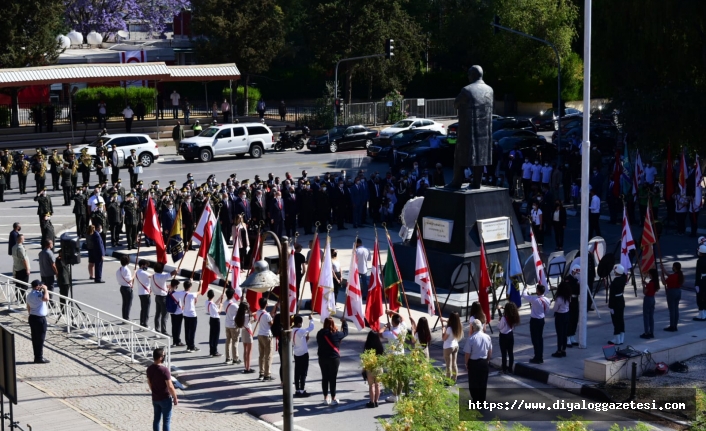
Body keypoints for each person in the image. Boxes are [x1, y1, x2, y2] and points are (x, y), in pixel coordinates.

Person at [317, 316, 348, 405]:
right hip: (334, 359)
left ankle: (325, 398)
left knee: (325, 378)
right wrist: (344, 323)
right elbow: (345, 332)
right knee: (332, 378)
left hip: (322, 358)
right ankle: (333, 398)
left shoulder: (320, 333)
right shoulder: (336, 334)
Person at [147, 348, 178, 431]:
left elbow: (149, 383)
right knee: (166, 421)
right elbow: (170, 386)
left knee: (156, 419)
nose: (164, 357)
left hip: (155, 398)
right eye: (164, 355)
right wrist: (175, 396)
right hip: (165, 398)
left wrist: (154, 391)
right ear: (160, 358)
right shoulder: (164, 370)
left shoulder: (149, 369)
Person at [464, 319, 492, 402]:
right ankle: (482, 399)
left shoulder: (471, 339)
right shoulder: (487, 337)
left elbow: (467, 354)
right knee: (483, 382)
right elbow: (490, 351)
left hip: (474, 363)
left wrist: (466, 363)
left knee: (473, 382)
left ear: (473, 328)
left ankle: (475, 399)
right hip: (484, 362)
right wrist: (487, 360)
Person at [522, 284, 550, 364]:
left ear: (538, 291)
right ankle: (540, 356)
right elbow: (547, 310)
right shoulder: (547, 300)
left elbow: (524, 295)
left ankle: (537, 357)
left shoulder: (535, 300)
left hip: (535, 321)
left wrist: (526, 289)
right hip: (542, 319)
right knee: (540, 338)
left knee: (535, 339)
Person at [27, 280, 50, 363]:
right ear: (37, 286)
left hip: (32, 317)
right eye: (41, 285)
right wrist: (46, 290)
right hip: (40, 319)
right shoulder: (38, 294)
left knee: (35, 338)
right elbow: (46, 298)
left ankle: (37, 356)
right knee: (40, 338)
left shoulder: (29, 295)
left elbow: (28, 307)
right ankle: (39, 357)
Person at [292, 314, 315, 397]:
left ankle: (297, 390)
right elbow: (311, 328)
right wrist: (311, 320)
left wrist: (305, 339)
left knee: (297, 372)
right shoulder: (300, 331)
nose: (301, 325)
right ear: (298, 323)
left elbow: (299, 340)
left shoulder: (292, 331)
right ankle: (302, 390)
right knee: (303, 372)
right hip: (303, 354)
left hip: (296, 353)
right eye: (301, 323)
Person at [255, 297, 276, 381]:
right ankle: (267, 374)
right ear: (266, 304)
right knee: (268, 356)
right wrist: (273, 317)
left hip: (260, 334)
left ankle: (261, 372)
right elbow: (271, 323)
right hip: (267, 335)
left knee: (261, 355)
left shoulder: (258, 312)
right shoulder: (267, 315)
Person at [362, 330, 384, 408]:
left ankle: (372, 402)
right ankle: (377, 401)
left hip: (370, 367)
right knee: (378, 385)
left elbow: (364, 358)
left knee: (371, 385)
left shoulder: (367, 346)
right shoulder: (380, 346)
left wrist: (363, 369)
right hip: (379, 367)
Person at [496, 302, 520, 374]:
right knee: (510, 352)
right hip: (510, 335)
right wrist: (501, 307)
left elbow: (499, 327)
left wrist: (499, 321)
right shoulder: (513, 316)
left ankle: (504, 369)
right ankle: (510, 369)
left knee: (504, 353)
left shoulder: (503, 318)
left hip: (503, 336)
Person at [608, 264, 627, 345]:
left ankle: (617, 339)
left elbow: (611, 295)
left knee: (616, 320)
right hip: (621, 300)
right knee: (621, 319)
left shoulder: (614, 282)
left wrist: (610, 306)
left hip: (615, 302)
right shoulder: (623, 279)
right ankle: (621, 338)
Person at [662, 261, 683, 331]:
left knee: (672, 310)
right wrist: (663, 270)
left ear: (674, 267)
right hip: (678, 291)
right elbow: (669, 275)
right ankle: (675, 325)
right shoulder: (680, 275)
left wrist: (661, 276)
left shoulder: (673, 276)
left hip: (671, 292)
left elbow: (664, 282)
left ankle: (672, 326)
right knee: (676, 309)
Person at [552, 281, 571, 358]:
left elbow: (555, 309)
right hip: (566, 314)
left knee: (559, 334)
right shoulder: (568, 296)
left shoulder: (559, 298)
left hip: (560, 316)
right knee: (565, 334)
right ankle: (564, 350)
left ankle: (559, 350)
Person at [178, 280, 199, 352]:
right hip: (192, 315)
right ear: (190, 287)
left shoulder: (181, 293)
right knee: (192, 331)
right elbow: (200, 292)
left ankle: (188, 345)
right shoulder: (192, 294)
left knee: (187, 331)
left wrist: (190, 281)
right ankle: (192, 346)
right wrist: (201, 283)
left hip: (185, 314)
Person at [235, 301, 255, 373]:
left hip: (243, 331)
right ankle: (248, 367)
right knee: (249, 351)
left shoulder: (240, 315)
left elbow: (247, 323)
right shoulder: (247, 315)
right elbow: (249, 322)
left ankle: (245, 366)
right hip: (248, 332)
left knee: (245, 350)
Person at [442, 312, 462, 383]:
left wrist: (443, 330)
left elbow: (444, 338)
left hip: (448, 347)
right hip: (455, 345)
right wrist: (444, 320)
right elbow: (453, 321)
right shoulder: (458, 325)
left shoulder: (449, 329)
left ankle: (448, 380)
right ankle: (454, 379)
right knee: (454, 364)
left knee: (448, 365)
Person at [640, 268, 660, 339]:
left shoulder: (650, 284)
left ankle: (646, 332)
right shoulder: (655, 282)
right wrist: (646, 284)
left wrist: (644, 286)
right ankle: (651, 332)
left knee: (646, 316)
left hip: (648, 298)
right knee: (651, 316)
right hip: (652, 298)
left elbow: (645, 292)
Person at [223, 288, 241, 364]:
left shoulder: (224, 303)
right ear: (233, 295)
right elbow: (240, 312)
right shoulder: (234, 305)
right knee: (235, 342)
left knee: (228, 341)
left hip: (227, 324)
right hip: (233, 325)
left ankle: (227, 357)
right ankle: (235, 358)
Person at [134, 259, 152, 328]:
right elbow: (153, 276)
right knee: (146, 309)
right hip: (146, 293)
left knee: (143, 308)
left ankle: (142, 322)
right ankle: (145, 323)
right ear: (142, 265)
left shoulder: (138, 272)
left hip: (140, 293)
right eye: (146, 265)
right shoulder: (143, 273)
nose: (146, 267)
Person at [566, 265, 581, 346]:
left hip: (575, 300)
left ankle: (572, 336)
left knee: (575, 318)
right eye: (576, 272)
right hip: (569, 301)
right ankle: (568, 337)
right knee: (569, 319)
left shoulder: (576, 280)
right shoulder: (568, 279)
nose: (577, 274)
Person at [12, 234, 30, 301]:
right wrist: (27, 269)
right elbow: (24, 259)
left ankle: (18, 298)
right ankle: (23, 299)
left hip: (17, 268)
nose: (24, 239)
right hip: (23, 269)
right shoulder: (20, 248)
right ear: (20, 239)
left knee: (18, 285)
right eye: (23, 238)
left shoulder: (14, 247)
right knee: (24, 286)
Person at [168, 279, 185, 347]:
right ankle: (177, 341)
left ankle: (174, 341)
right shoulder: (177, 293)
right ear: (175, 286)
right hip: (178, 312)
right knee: (178, 327)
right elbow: (185, 291)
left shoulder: (169, 292)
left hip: (172, 312)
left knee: (174, 327)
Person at [116, 255, 133, 321]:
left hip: (122, 287)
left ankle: (124, 317)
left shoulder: (119, 270)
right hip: (127, 288)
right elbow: (129, 280)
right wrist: (134, 274)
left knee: (124, 303)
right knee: (128, 303)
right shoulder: (127, 270)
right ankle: (126, 318)